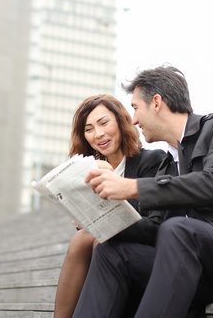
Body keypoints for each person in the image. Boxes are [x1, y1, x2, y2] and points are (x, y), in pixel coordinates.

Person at [73, 66, 213, 318]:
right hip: (198, 267)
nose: (134, 120)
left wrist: (132, 187)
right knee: (111, 251)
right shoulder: (167, 164)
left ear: (156, 102)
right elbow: (154, 228)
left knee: (178, 229)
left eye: (136, 108)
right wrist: (99, 217)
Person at [53, 94, 166, 318]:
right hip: (105, 248)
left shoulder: (151, 161)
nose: (99, 134)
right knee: (82, 238)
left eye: (104, 123)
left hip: (144, 249)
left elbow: (155, 225)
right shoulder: (88, 171)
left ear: (121, 122)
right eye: (89, 129)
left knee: (97, 240)